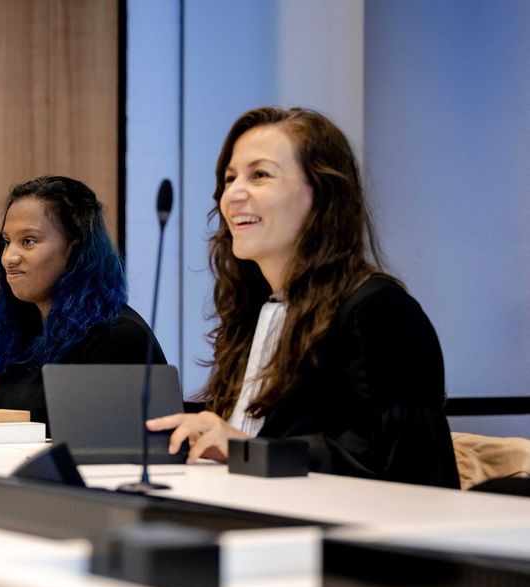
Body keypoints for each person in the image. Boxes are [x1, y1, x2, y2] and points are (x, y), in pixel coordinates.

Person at [147, 107, 459, 488]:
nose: (233, 194)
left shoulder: (380, 311)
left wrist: (248, 450)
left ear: (322, 193)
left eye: (259, 175)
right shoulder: (257, 312)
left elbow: (401, 463)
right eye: (229, 179)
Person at [0, 175, 165, 427]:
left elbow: (108, 453)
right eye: (7, 242)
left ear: (74, 249)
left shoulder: (118, 337)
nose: (9, 258)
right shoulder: (24, 335)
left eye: (28, 241)